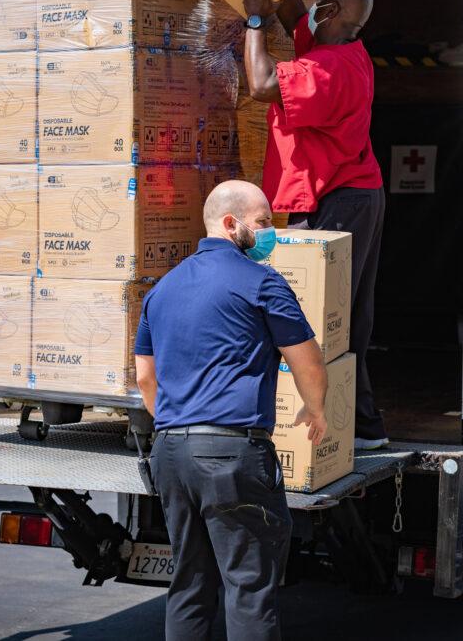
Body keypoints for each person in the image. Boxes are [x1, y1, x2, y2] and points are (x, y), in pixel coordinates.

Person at [135, 180, 328, 641]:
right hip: (232, 454)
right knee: (248, 587)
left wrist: (176, 422)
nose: (270, 233)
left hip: (170, 453)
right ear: (230, 223)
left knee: (188, 582)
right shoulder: (262, 283)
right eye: (263, 222)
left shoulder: (162, 288)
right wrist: (315, 409)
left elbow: (145, 376)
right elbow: (307, 359)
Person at [233, 0, 387, 449]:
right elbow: (297, 15)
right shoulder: (336, 47)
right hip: (351, 193)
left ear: (334, 12)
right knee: (346, 315)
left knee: (326, 315)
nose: (312, 10)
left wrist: (254, 21)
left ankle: (351, 427)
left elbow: (259, 85)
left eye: (321, 3)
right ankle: (361, 425)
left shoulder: (327, 70)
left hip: (337, 199)